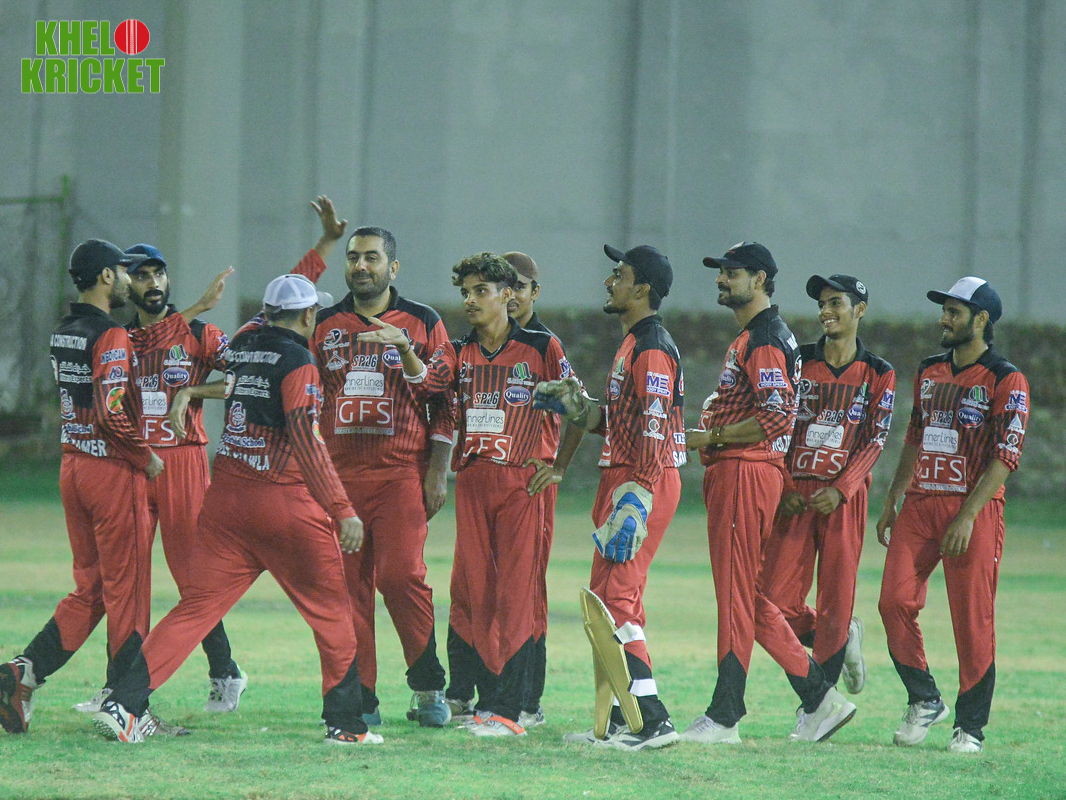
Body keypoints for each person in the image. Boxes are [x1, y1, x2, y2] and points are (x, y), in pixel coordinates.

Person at [92, 273, 381, 745]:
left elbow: (238, 370)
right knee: (332, 613)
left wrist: (191, 390)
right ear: (309, 315)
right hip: (284, 504)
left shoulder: (244, 344)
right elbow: (306, 439)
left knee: (195, 609)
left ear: (267, 313)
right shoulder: (300, 361)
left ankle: (124, 703)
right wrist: (341, 507)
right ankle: (347, 726)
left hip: (226, 501)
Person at [358, 252, 575, 737]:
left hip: (520, 483)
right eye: (465, 293)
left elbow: (577, 406)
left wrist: (558, 465)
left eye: (480, 291)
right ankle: (480, 700)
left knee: (515, 594)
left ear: (507, 295)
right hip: (474, 483)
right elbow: (427, 382)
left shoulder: (541, 347)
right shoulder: (460, 351)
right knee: (475, 591)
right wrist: (405, 347)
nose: (470, 301)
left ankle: (510, 710)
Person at [684, 242, 856, 745]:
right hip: (748, 473)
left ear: (760, 279)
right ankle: (818, 697)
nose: (722, 280)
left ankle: (726, 716)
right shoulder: (759, 335)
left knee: (737, 596)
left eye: (732, 272)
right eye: (720, 272)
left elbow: (777, 416)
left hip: (744, 473)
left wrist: (711, 436)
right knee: (744, 595)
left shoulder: (763, 338)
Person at [69, 243, 247, 717]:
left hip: (183, 463)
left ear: (167, 280)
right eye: (142, 275)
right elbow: (142, 349)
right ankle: (117, 686)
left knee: (191, 575)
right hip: (130, 463)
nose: (152, 283)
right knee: (124, 580)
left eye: (158, 274)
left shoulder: (200, 334)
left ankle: (225, 672)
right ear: (127, 283)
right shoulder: (119, 337)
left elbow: (245, 378)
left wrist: (193, 390)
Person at [0, 240, 164, 735]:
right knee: (128, 592)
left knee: (91, 589)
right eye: (123, 271)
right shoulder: (110, 333)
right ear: (107, 276)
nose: (130, 280)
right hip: (112, 473)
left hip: (73, 466)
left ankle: (22, 674)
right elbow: (112, 412)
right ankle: (126, 706)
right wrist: (147, 457)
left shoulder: (64, 331)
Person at [301, 200, 452, 728]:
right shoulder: (323, 324)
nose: (361, 266)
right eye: (353, 258)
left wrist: (437, 471)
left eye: (371, 257)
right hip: (339, 479)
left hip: (400, 474)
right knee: (348, 591)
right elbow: (305, 394)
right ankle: (361, 696)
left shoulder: (424, 322)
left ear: (394, 267)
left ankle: (428, 686)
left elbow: (444, 398)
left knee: (401, 577)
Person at [538, 243, 686, 751]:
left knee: (617, 602)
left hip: (641, 480)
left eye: (618, 275)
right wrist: (578, 409)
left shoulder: (652, 348)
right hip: (627, 476)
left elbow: (655, 426)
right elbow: (624, 421)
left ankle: (653, 720)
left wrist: (637, 496)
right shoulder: (633, 344)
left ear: (641, 288)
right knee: (605, 605)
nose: (609, 282)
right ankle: (622, 719)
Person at [876, 277, 1028, 754]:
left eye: (954, 312)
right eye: (944, 310)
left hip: (972, 510)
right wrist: (893, 495)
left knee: (972, 619)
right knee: (893, 601)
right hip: (920, 504)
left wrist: (967, 516)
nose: (944, 318)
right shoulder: (929, 370)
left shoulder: (1006, 379)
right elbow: (915, 435)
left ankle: (970, 728)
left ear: (981, 319)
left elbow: (1006, 456)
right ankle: (924, 698)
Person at [760, 274, 895, 693]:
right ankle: (839, 638)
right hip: (795, 496)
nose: (826, 312)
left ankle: (820, 701)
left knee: (836, 600)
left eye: (836, 303)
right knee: (772, 601)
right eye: (822, 304)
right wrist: (784, 485)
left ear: (859, 310)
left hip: (843, 499)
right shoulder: (797, 361)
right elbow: (775, 424)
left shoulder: (879, 373)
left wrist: (843, 488)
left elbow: (876, 437)